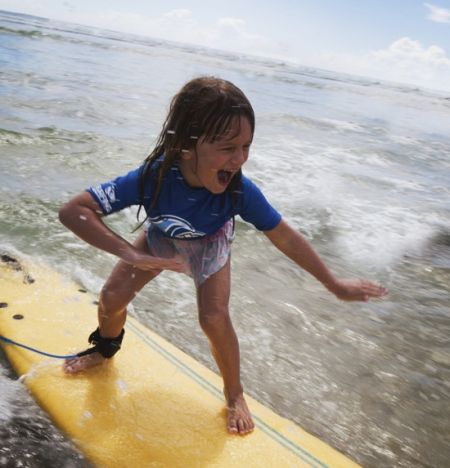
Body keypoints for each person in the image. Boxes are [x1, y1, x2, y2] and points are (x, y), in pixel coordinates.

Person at [59, 76, 387, 436]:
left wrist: (334, 284)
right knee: (111, 296)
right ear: (186, 145)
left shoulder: (240, 192)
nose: (239, 159)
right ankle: (104, 350)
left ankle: (235, 395)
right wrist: (130, 254)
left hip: (211, 243)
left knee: (213, 318)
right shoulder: (153, 178)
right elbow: (74, 210)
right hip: (162, 236)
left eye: (246, 146)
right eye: (228, 147)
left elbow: (285, 238)